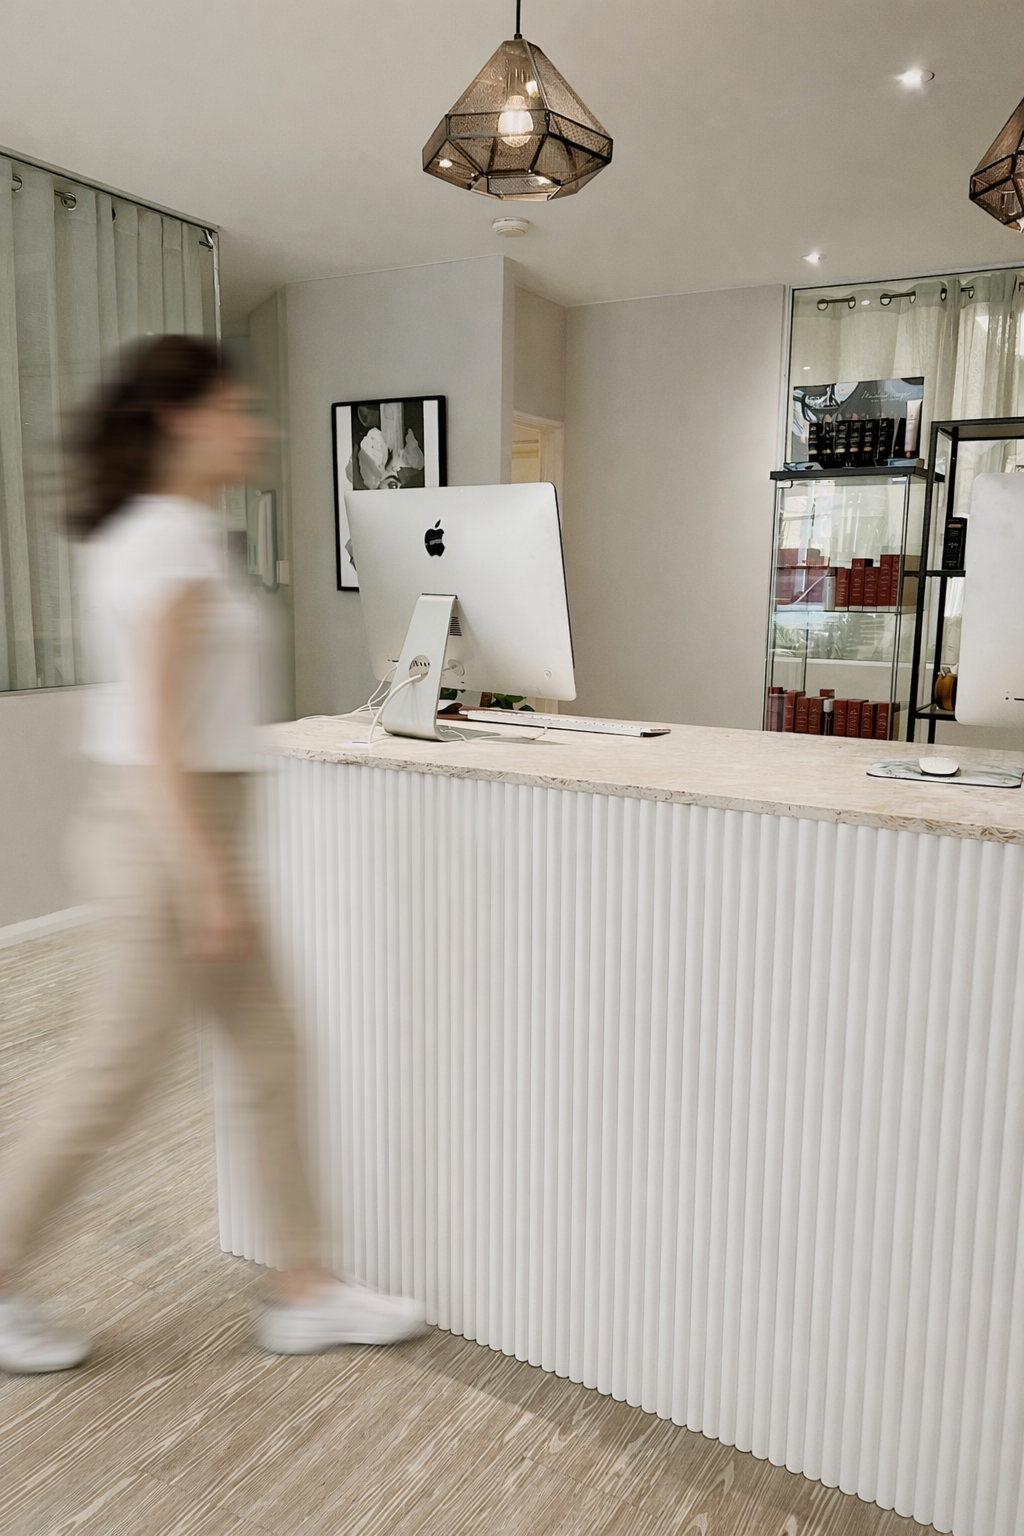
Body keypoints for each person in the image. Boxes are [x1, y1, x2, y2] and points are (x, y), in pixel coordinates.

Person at [0, 336, 424, 1373]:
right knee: (112, 1074)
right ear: (180, 418)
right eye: (238, 408)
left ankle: (305, 1289)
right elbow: (154, 737)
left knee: (272, 1058)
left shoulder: (164, 533)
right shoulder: (169, 545)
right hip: (171, 839)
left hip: (184, 831)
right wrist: (205, 878)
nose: (259, 428)